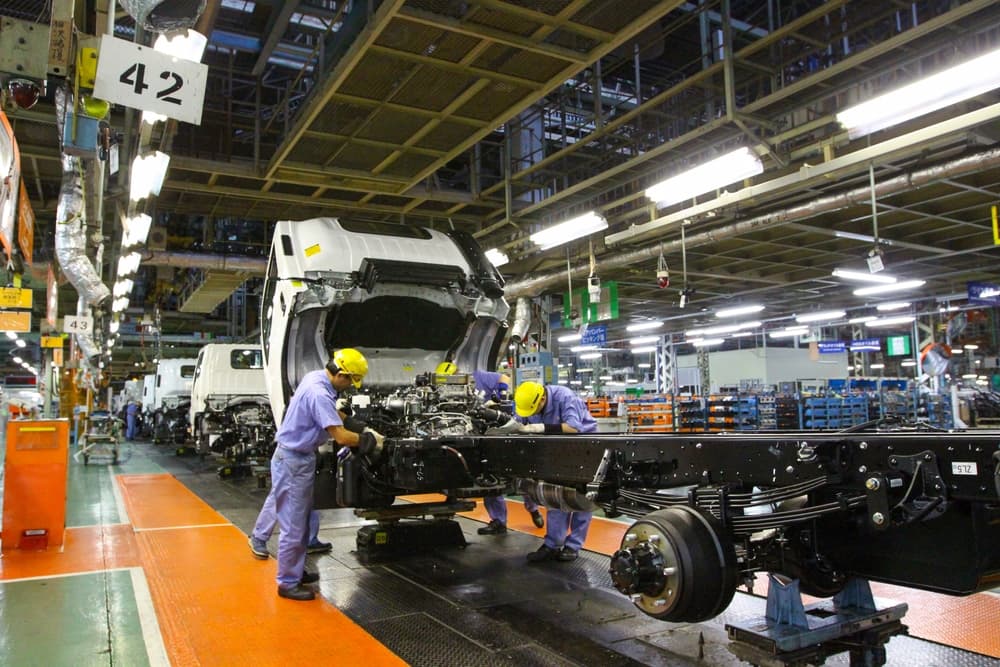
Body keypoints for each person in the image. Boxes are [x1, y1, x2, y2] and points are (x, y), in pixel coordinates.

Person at [254, 348, 385, 601]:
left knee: (300, 521)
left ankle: (293, 570)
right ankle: (287, 583)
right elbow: (342, 437)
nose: (348, 388)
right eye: (350, 382)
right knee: (294, 524)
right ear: (342, 375)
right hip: (293, 460)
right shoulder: (319, 393)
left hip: (297, 458)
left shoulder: (315, 377)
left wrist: (353, 420)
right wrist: (369, 439)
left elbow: (334, 413)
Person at [434, 361, 544, 535]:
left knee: (519, 473)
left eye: (451, 379)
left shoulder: (479, 376)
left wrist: (500, 393)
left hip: (503, 427)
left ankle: (533, 509)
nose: (449, 384)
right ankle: (498, 521)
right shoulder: (444, 393)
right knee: (488, 475)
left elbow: (504, 377)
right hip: (481, 433)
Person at [512, 381, 597, 563]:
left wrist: (540, 428)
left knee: (581, 498)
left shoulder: (565, 397)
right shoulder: (527, 402)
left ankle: (573, 546)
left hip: (583, 446)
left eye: (534, 411)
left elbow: (574, 428)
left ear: (542, 399)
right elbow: (518, 421)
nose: (532, 415)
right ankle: (552, 544)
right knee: (555, 495)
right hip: (555, 448)